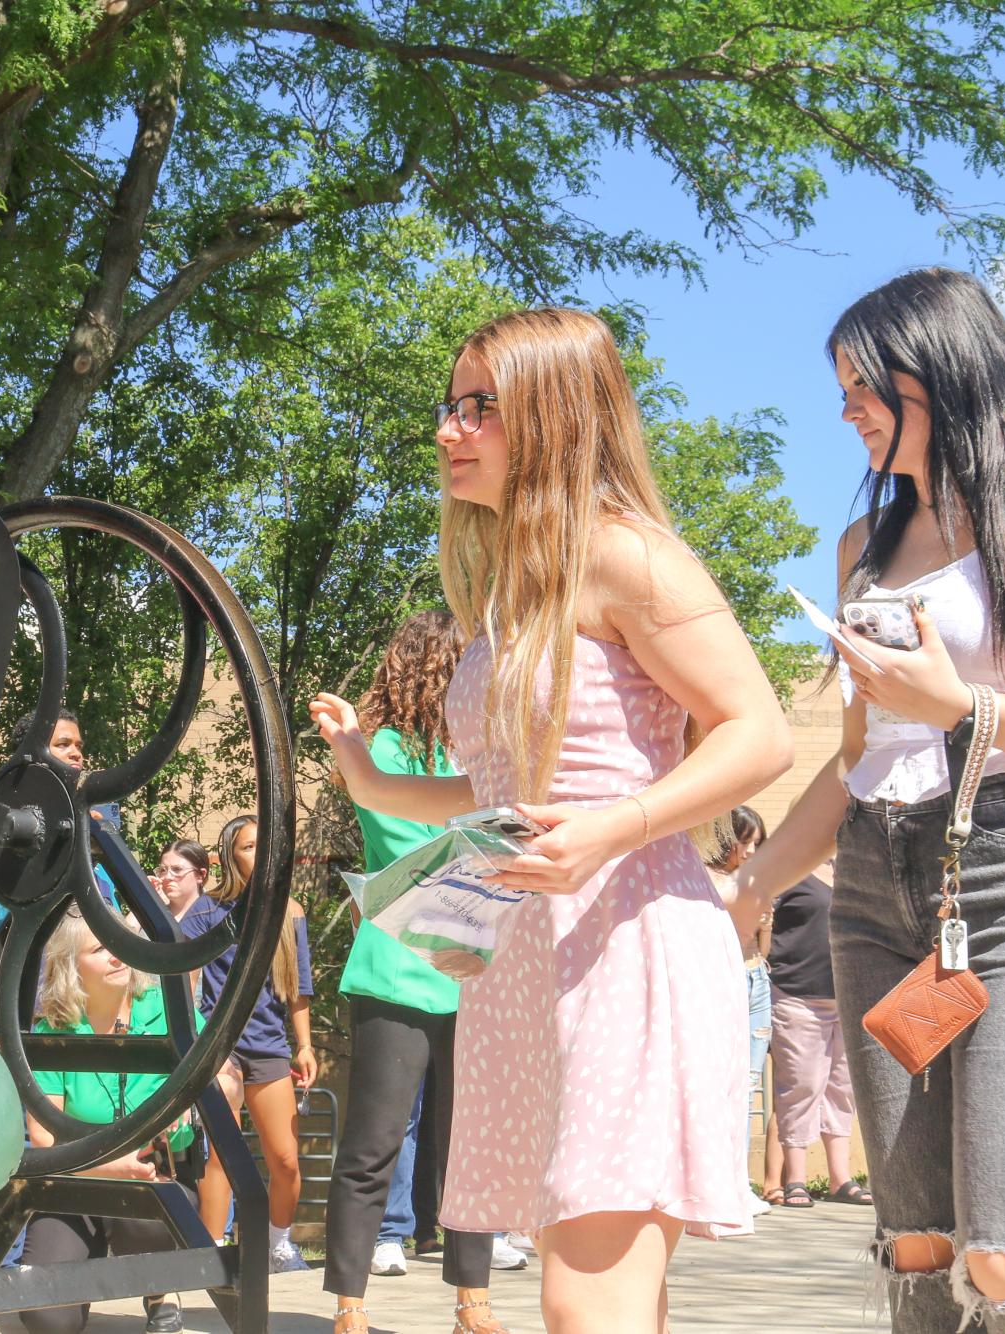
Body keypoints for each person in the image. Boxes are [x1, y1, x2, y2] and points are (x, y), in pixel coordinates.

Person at [312, 306, 794, 1333]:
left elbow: (760, 734)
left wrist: (615, 826)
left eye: (479, 407)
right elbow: (505, 784)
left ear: (560, 414)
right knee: (599, 1298)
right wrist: (369, 776)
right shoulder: (513, 589)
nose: (449, 429)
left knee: (586, 1304)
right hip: (526, 955)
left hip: (627, 939)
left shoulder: (631, 555)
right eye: (449, 405)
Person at [728, 268, 1005, 1332]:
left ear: (939, 370)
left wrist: (965, 704)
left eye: (863, 384)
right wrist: (750, 881)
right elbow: (854, 762)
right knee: (915, 1241)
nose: (846, 410)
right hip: (878, 890)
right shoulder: (861, 547)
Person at [322, 609, 509, 1334]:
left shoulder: (486, 751)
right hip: (398, 970)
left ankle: (474, 1302)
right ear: (438, 666)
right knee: (371, 1144)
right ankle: (349, 1307)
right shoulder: (382, 749)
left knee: (469, 1149)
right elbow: (414, 844)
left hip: (477, 973)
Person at [21, 907, 204, 1334]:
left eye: (122, 944)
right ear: (70, 966)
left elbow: (220, 1075)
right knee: (48, 1320)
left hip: (154, 1179)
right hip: (73, 1187)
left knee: (148, 1217)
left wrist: (182, 1110)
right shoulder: (52, 1031)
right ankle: (82, 1273)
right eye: (103, 947)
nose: (119, 956)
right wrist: (110, 1166)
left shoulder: (167, 1009)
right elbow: (46, 1143)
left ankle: (159, 1287)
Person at [180, 814, 316, 1272]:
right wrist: (195, 1049)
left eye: (266, 845)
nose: (261, 853)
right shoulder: (205, 913)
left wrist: (306, 1046)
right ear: (229, 857)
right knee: (222, 1153)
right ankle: (212, 1251)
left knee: (286, 1159)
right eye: (249, 846)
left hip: (270, 1046)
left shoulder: (289, 911)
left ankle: (277, 1244)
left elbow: (298, 988)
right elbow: (187, 984)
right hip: (220, 1050)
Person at [0, 708, 119, 1020]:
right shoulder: (0, 821)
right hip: (22, 1012)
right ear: (32, 754)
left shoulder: (87, 821)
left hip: (84, 1008)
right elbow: (10, 916)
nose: (76, 753)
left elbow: (109, 911)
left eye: (79, 745)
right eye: (63, 745)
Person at [763, 859, 866, 1209]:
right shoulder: (791, 870)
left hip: (848, 995)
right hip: (797, 995)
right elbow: (761, 919)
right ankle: (796, 1180)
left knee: (842, 1087)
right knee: (802, 1085)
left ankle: (841, 1179)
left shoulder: (852, 873)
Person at [705, 805, 770, 1216]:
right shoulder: (704, 880)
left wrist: (763, 923)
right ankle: (717, 1183)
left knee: (747, 1084)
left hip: (756, 978)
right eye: (744, 841)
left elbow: (764, 946)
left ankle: (739, 1182)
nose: (749, 852)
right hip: (719, 978)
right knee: (720, 1082)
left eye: (757, 844)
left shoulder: (753, 882)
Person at [150, 840, 210, 921]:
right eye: (163, 870)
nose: (167, 877)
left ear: (200, 875)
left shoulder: (215, 917)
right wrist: (145, 898)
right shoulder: (153, 916)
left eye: (177, 869)